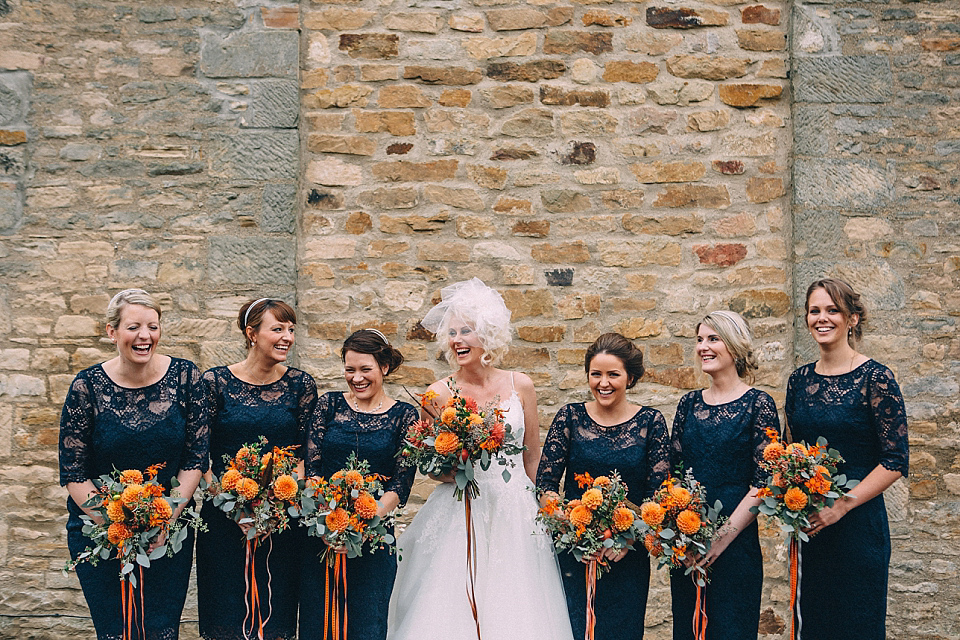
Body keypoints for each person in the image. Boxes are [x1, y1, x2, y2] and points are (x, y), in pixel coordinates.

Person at [388, 278, 573, 640]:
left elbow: (533, 457)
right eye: (452, 332)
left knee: (516, 603)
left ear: (487, 334)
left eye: (466, 331)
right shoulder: (437, 394)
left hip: (515, 509)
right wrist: (455, 468)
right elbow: (431, 467)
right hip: (461, 506)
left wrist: (550, 508)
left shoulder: (522, 385)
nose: (457, 340)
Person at [59, 288, 209, 640]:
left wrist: (165, 518)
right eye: (133, 327)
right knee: (114, 630)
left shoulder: (187, 378)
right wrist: (117, 528)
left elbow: (196, 455)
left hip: (168, 529)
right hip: (98, 527)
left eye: (153, 327)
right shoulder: (87, 386)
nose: (145, 336)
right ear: (112, 332)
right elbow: (73, 468)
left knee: (159, 629)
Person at [785, 278, 908, 639]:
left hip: (859, 527)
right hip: (811, 528)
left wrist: (841, 506)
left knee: (858, 626)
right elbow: (793, 453)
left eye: (832, 310)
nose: (822, 318)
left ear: (852, 318)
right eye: (814, 311)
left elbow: (895, 460)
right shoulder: (799, 381)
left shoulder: (876, 378)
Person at [196, 298, 317, 640]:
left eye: (291, 330)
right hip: (223, 521)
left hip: (281, 520)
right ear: (251, 334)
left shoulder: (301, 385)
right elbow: (199, 454)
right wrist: (230, 505)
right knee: (226, 616)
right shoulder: (214, 383)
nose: (287, 337)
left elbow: (307, 455)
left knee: (275, 615)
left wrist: (276, 505)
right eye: (277, 329)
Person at [537, 332, 670, 640]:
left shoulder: (651, 422)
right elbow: (545, 483)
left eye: (613, 374)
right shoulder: (569, 418)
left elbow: (657, 492)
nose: (603, 382)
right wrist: (572, 531)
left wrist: (627, 538)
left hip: (627, 557)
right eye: (596, 374)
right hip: (575, 554)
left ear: (630, 377)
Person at [299, 329, 419, 640]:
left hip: (375, 537)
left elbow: (402, 480)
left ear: (384, 368)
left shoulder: (404, 415)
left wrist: (365, 523)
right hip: (322, 535)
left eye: (365, 369)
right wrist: (328, 520)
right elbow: (312, 467)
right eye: (350, 369)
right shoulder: (329, 405)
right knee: (319, 619)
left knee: (367, 622)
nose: (357, 378)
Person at [669, 311, 780, 640]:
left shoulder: (758, 404)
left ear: (734, 346)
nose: (703, 346)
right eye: (700, 339)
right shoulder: (688, 404)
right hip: (687, 540)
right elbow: (674, 474)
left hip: (736, 542)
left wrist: (721, 537)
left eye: (713, 339)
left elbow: (766, 481)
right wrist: (682, 531)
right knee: (688, 629)